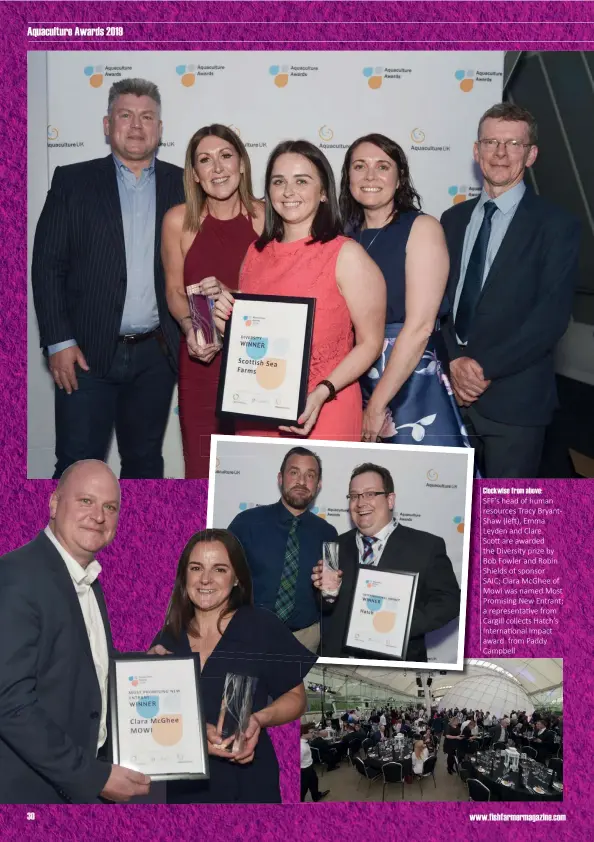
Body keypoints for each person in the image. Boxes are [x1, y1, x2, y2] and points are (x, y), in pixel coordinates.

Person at [32, 79, 185, 479]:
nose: (137, 126)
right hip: (84, 354)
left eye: (147, 116)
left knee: (145, 463)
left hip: (158, 354)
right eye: (126, 115)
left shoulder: (186, 184)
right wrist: (59, 341)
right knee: (77, 466)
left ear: (160, 128)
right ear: (107, 124)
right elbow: (48, 264)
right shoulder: (72, 182)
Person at [440, 103, 581, 478]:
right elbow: (441, 305)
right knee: (452, 513)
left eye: (513, 143)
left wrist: (484, 369)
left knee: (506, 522)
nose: (500, 153)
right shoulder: (451, 220)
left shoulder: (557, 226)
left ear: (531, 154)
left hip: (516, 404)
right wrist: (454, 360)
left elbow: (550, 319)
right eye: (491, 142)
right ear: (476, 151)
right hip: (449, 397)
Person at [213, 139, 386, 441]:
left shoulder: (347, 255)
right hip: (259, 409)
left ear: (322, 193)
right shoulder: (255, 253)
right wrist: (227, 324)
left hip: (326, 406)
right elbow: (256, 341)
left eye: (301, 181)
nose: (288, 192)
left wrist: (322, 392)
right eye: (278, 182)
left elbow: (371, 343)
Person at [0, 460, 150, 804]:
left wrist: (145, 671)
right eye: (85, 501)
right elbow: (10, 704)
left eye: (109, 507)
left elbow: (76, 670)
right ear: (53, 503)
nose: (98, 516)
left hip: (71, 788)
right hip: (30, 796)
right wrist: (92, 776)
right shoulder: (16, 576)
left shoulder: (86, 579)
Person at [150, 529, 315, 803]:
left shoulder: (262, 627)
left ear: (237, 577)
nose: (205, 579)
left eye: (219, 569)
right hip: (185, 787)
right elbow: (154, 721)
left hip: (248, 784)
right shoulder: (168, 637)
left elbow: (297, 698)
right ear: (184, 576)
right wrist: (144, 675)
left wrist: (259, 718)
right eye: (196, 568)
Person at [339, 134, 472, 449]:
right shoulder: (343, 235)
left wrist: (376, 405)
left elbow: (420, 327)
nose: (370, 176)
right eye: (360, 166)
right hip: (352, 377)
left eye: (382, 166)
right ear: (348, 178)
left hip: (407, 378)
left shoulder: (421, 228)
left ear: (399, 179)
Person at [162, 125, 265, 478]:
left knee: (255, 469)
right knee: (203, 469)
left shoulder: (267, 218)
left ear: (242, 164)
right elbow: (175, 291)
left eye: (225, 156)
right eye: (205, 160)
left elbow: (284, 295)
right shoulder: (178, 221)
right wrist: (190, 326)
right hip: (202, 362)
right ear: (194, 174)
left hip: (259, 362)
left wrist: (232, 297)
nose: (217, 168)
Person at [315, 462, 461, 662]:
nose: (360, 502)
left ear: (390, 500)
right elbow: (325, 607)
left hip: (395, 666)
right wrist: (328, 595)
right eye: (354, 495)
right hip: (339, 662)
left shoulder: (426, 546)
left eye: (370, 494)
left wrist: (402, 624)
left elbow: (450, 602)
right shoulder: (334, 547)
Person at [228, 447, 338, 653]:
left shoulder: (328, 533)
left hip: (304, 640)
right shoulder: (246, 523)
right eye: (294, 472)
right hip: (249, 636)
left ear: (318, 485)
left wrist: (330, 590)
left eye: (310, 475)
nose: (302, 481)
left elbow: (329, 600)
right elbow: (223, 579)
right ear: (280, 478)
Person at [300, 724, 330, 801]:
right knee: (303, 789)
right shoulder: (301, 747)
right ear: (303, 733)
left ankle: (316, 796)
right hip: (305, 770)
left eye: (313, 732)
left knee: (314, 783)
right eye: (311, 732)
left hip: (310, 767)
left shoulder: (306, 742)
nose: (313, 734)